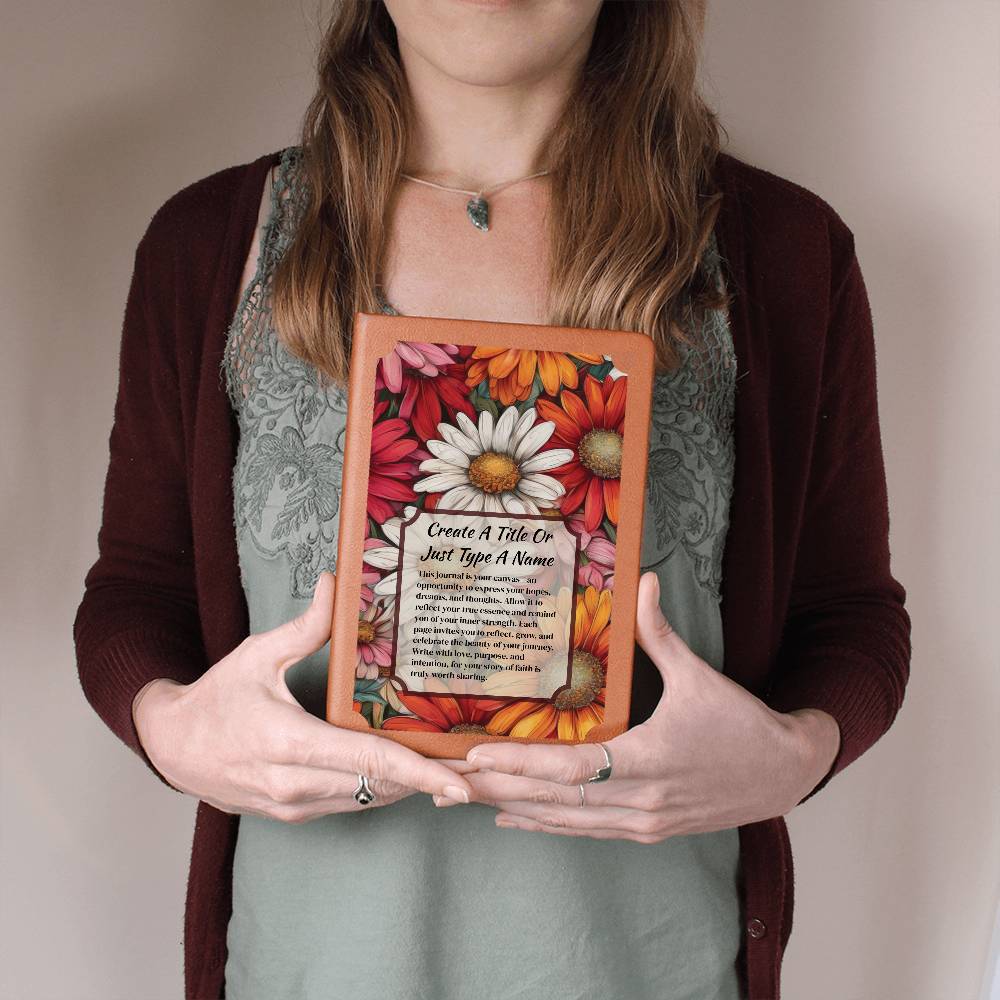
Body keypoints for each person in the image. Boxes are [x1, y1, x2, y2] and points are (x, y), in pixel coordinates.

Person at [73, 2, 911, 998]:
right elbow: (135, 592)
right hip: (305, 970)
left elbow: (850, 614)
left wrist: (790, 756)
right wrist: (172, 727)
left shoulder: (784, 253)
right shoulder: (209, 247)